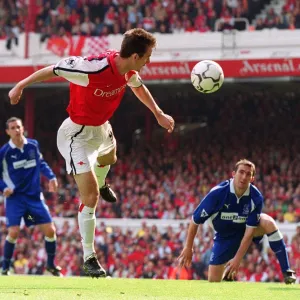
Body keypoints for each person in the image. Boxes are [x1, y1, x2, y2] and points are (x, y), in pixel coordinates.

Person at [8, 28, 175, 278]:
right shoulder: (91, 68)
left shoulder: (129, 69)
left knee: (110, 158)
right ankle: (89, 257)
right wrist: (20, 85)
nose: (150, 61)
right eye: (148, 56)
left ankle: (102, 180)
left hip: (102, 128)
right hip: (76, 135)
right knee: (91, 197)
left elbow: (138, 87)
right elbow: (54, 69)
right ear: (136, 56)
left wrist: (158, 113)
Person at [178, 159, 296, 284]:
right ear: (233, 174)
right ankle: (227, 279)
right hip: (224, 236)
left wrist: (237, 259)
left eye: (248, 174)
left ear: (252, 178)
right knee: (213, 282)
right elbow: (195, 221)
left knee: (268, 222)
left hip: (245, 231)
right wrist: (188, 247)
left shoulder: (256, 197)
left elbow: (249, 233)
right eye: (241, 172)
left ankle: (287, 271)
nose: (244, 177)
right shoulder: (217, 193)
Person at [0, 117, 61, 276]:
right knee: (13, 231)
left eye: (18, 127)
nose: (16, 130)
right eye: (12, 128)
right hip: (15, 198)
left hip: (34, 196)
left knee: (50, 230)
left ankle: (51, 265)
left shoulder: (33, 145)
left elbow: (41, 163)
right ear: (8, 132)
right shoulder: (4, 152)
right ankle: (5, 267)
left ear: (23, 128)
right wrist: (4, 187)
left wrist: (51, 177)